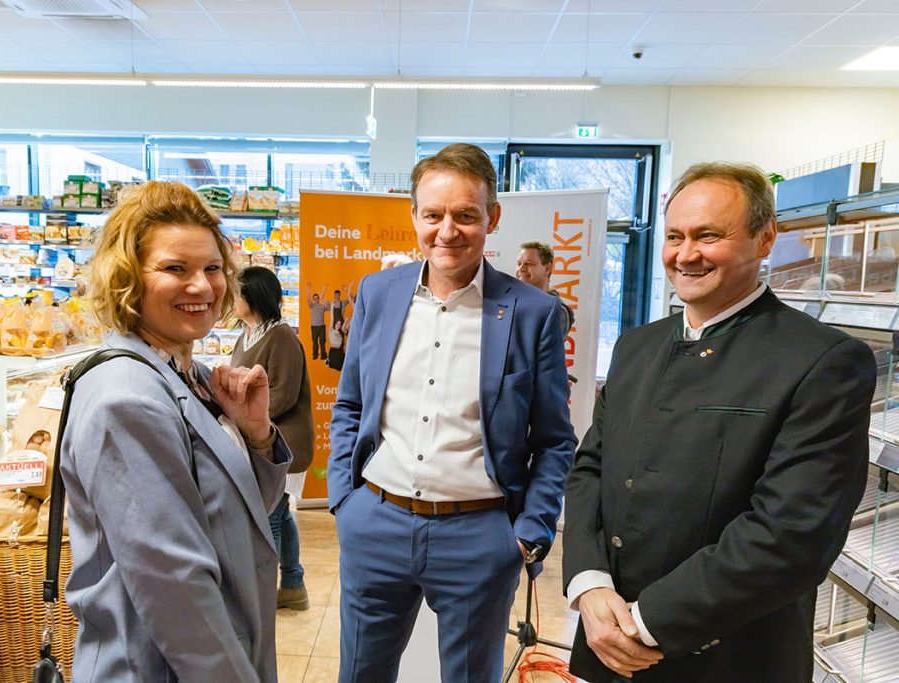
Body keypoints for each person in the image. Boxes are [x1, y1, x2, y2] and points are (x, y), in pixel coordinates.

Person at [562, 162, 876, 683]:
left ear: (764, 238)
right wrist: (589, 583)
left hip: (730, 656)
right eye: (675, 236)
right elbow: (591, 468)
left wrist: (647, 620)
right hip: (609, 644)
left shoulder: (822, 361)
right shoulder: (637, 346)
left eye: (709, 236)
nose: (686, 254)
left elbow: (793, 535)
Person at [329, 143, 577, 683]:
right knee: (358, 674)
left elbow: (556, 439)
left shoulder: (534, 313)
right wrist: (344, 502)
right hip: (376, 523)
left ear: (492, 217)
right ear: (413, 215)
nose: (448, 231)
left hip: (479, 536)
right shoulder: (377, 293)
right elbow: (351, 403)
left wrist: (525, 533)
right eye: (433, 214)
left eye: (466, 215)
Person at [60, 181, 291, 682]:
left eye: (212, 269)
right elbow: (174, 584)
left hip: (216, 645)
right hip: (158, 665)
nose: (203, 287)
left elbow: (248, 513)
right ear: (127, 278)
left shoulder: (193, 376)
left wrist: (256, 435)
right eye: (174, 269)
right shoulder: (127, 397)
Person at [231, 265, 315, 611]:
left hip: (284, 444)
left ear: (254, 298)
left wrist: (242, 416)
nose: (231, 300)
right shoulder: (245, 335)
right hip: (262, 441)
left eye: (237, 294)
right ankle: (293, 584)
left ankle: (265, 595)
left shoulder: (281, 336)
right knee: (279, 514)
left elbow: (281, 395)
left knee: (270, 517)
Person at [516, 240, 575, 339]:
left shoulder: (558, 311)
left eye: (529, 264)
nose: (521, 269)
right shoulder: (514, 302)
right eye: (519, 264)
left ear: (547, 269)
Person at [306, 284, 330, 360]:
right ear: (313, 299)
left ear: (319, 299)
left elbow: (330, 307)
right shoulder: (311, 306)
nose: (316, 299)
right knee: (315, 342)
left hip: (322, 326)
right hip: (314, 327)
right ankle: (315, 354)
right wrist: (309, 290)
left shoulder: (322, 306)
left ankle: (323, 355)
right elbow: (308, 300)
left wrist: (324, 290)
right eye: (314, 298)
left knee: (322, 341)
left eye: (317, 298)